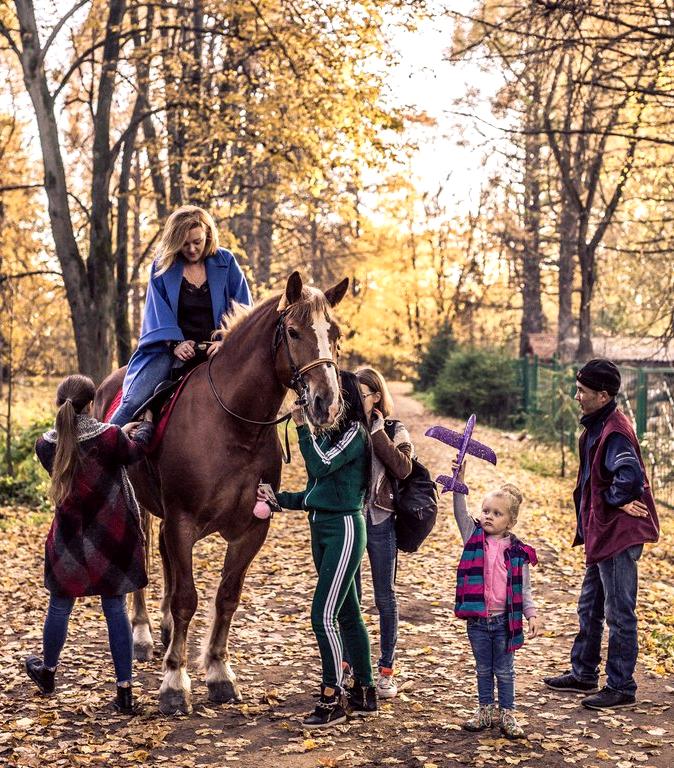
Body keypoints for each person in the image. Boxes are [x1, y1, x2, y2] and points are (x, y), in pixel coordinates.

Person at [25, 374, 154, 714]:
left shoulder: (45, 445)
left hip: (69, 541)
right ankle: (125, 694)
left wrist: (118, 435)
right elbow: (135, 452)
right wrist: (146, 425)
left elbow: (81, 450)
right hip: (111, 539)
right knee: (115, 609)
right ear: (93, 403)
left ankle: (47, 672)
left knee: (59, 606)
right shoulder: (110, 437)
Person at [257, 371, 377, 729]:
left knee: (322, 616)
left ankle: (332, 696)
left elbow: (319, 466)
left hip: (343, 531)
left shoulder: (356, 433)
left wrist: (301, 428)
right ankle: (365, 691)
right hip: (322, 528)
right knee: (347, 615)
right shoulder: (331, 434)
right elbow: (317, 493)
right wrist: (278, 499)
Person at [544, 359, 659, 710]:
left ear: (603, 394)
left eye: (582, 391)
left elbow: (631, 477)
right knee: (590, 604)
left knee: (619, 612)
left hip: (618, 536)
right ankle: (583, 672)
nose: (577, 396)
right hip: (602, 531)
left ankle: (621, 685)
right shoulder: (598, 424)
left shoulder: (614, 430)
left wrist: (613, 500)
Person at [109, 205, 252, 426]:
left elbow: (242, 309)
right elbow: (157, 311)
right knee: (132, 401)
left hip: (219, 350)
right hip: (171, 351)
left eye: (198, 241)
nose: (193, 249)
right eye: (185, 244)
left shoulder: (227, 262)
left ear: (208, 235)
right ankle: (100, 447)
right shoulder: (163, 266)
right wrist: (175, 344)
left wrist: (226, 340)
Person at [452, 461, 539, 739]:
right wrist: (459, 480)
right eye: (486, 511)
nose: (488, 516)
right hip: (478, 620)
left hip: (505, 622)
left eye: (497, 513)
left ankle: (508, 713)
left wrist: (532, 614)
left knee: (505, 670)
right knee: (483, 668)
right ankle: (484, 709)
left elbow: (524, 590)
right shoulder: (473, 537)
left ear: (510, 521)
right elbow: (459, 511)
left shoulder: (518, 552)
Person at [345, 367, 412, 699]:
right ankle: (350, 665)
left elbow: (403, 467)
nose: (359, 398)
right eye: (355, 392)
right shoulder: (344, 427)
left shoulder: (394, 428)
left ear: (377, 395)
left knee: (385, 596)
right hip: (351, 520)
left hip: (381, 520)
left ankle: (386, 670)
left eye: (366, 392)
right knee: (350, 596)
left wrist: (376, 430)